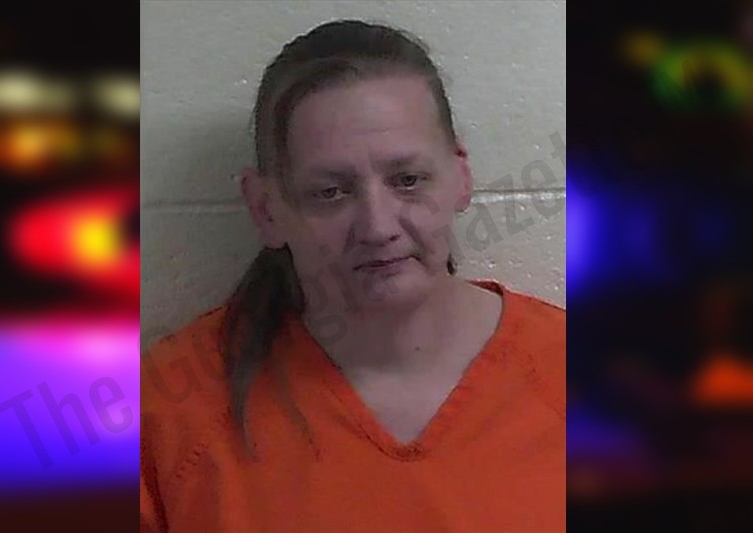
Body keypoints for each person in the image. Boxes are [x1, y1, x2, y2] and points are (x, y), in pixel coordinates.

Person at [141, 19, 565, 532]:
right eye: (330, 192)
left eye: (407, 180)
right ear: (266, 209)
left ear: (461, 176)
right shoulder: (164, 414)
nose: (378, 227)